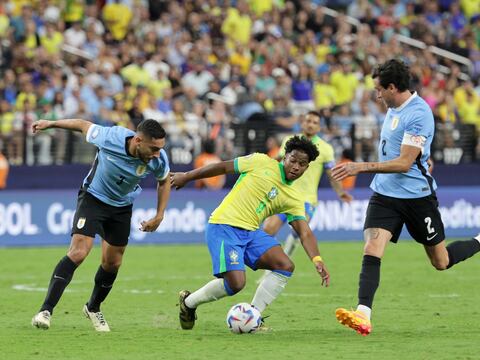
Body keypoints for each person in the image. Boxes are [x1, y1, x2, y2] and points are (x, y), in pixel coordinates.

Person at [332, 59, 480, 336]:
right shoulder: (393, 107)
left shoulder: (419, 113)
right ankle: (363, 314)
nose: (376, 95)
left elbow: (403, 163)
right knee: (371, 248)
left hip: (416, 197)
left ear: (392, 87)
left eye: (379, 89)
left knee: (441, 261)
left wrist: (360, 166)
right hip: (385, 194)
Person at [170, 136, 330, 330]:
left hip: (251, 233)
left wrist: (317, 259)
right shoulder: (260, 161)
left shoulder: (294, 198)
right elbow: (222, 167)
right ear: (285, 156)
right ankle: (188, 303)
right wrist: (187, 176)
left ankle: (253, 317)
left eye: (302, 164)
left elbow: (304, 232)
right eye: (293, 160)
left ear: (307, 168)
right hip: (224, 226)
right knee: (236, 284)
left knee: (284, 265)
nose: (296, 166)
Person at [31, 118, 171, 332]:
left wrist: (159, 215)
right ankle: (45, 310)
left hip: (122, 207)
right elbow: (81, 125)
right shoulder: (111, 137)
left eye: (160, 149)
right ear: (138, 140)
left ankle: (93, 308)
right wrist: (51, 124)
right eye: (153, 148)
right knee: (79, 251)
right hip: (93, 198)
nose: (157, 154)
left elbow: (164, 181)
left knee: (113, 263)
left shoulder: (158, 159)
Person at [263, 111, 353, 258]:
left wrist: (340, 192)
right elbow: (276, 162)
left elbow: (332, 174)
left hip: (306, 199)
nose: (311, 124)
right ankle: (273, 262)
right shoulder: (289, 141)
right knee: (268, 229)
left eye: (315, 122)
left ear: (319, 127)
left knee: (299, 232)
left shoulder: (325, 149)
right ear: (302, 123)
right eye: (308, 121)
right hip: (282, 194)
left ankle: (283, 262)